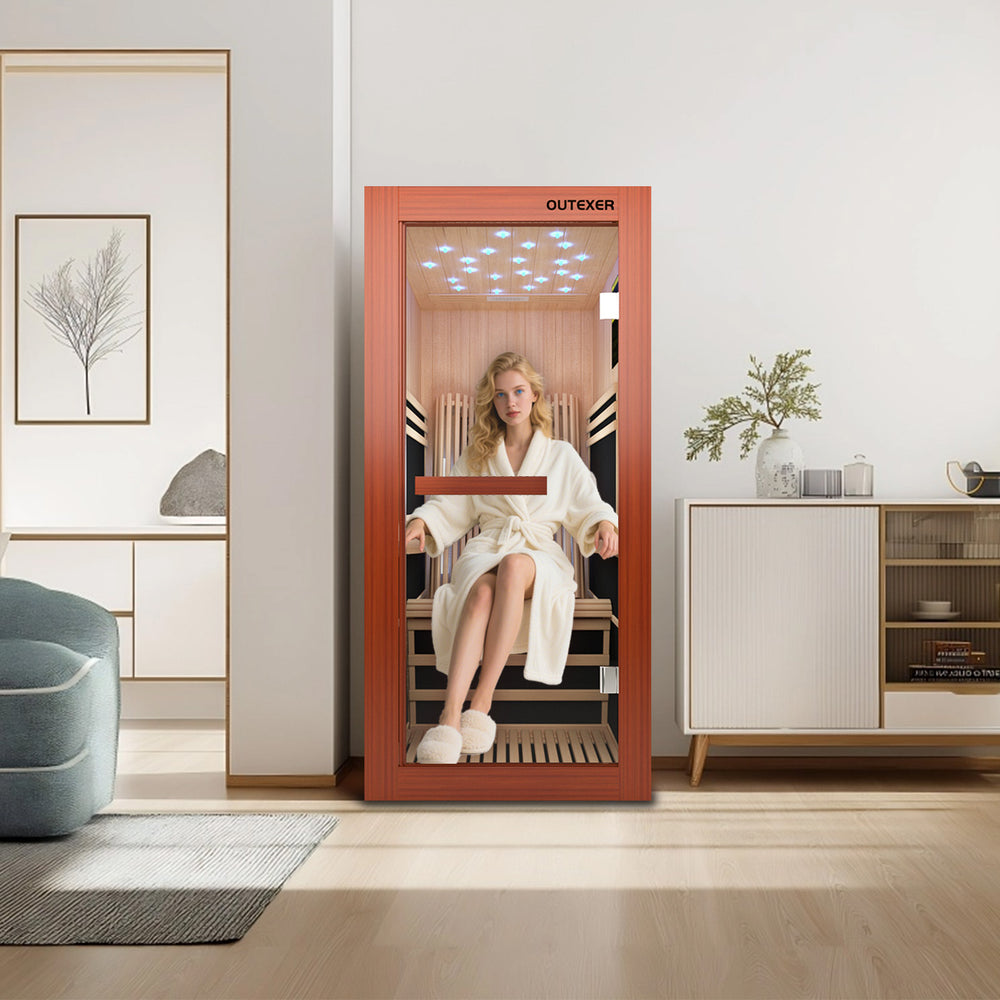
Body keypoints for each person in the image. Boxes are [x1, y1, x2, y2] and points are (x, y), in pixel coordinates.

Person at [405, 351, 618, 764]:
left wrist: (605, 525)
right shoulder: (479, 455)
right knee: (482, 594)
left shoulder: (561, 455)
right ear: (493, 402)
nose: (511, 403)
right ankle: (450, 716)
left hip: (538, 554)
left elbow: (589, 504)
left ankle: (481, 702)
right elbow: (449, 504)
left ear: (535, 395)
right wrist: (423, 523)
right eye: (501, 395)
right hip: (488, 549)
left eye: (519, 392)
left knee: (517, 564)